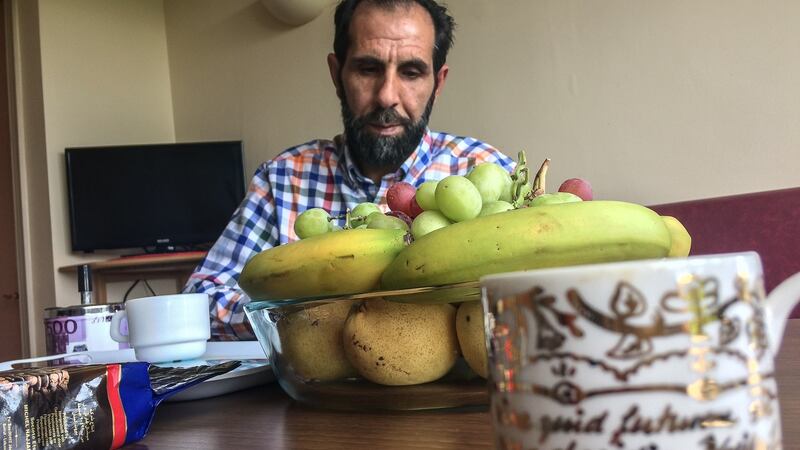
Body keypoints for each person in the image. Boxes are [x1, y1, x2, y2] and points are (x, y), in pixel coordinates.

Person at [184, 0, 514, 340]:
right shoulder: (282, 179)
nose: (386, 96)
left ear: (438, 83)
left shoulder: (484, 171)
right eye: (368, 69)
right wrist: (311, 314)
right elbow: (201, 301)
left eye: (411, 72)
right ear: (337, 74)